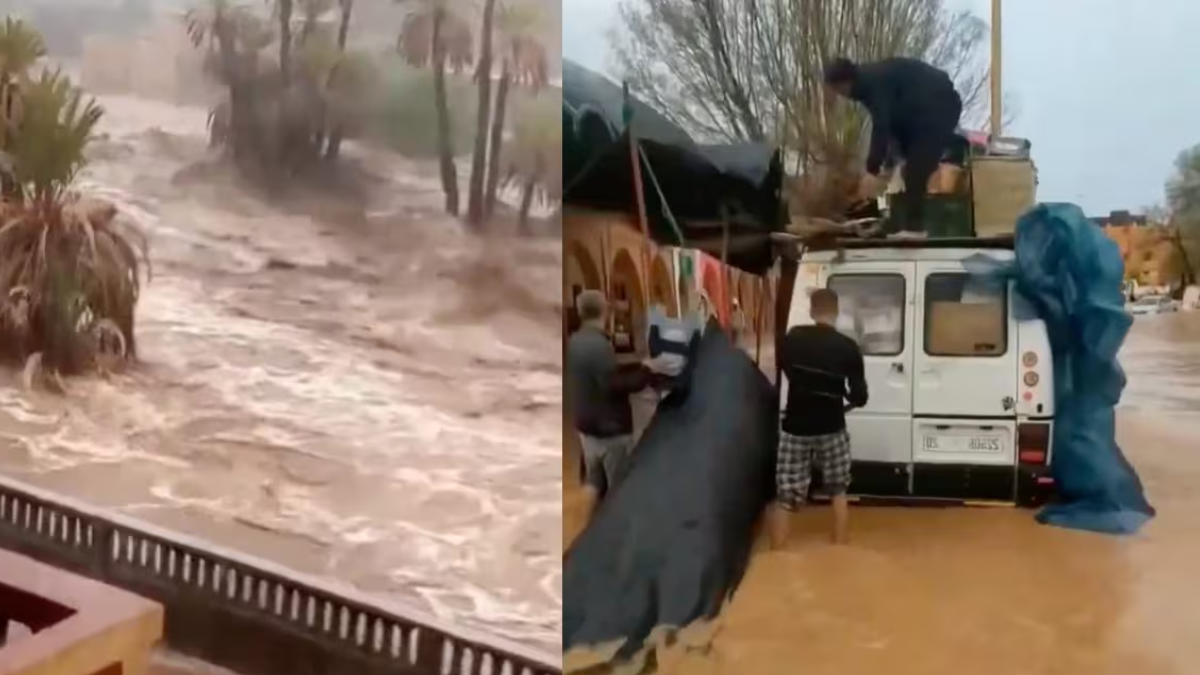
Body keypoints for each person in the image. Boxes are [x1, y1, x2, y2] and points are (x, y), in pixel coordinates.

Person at [768, 288, 868, 547]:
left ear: (812, 311)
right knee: (838, 490)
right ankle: (840, 546)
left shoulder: (792, 339)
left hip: (795, 427)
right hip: (832, 426)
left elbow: (786, 371)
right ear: (836, 313)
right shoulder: (848, 348)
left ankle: (777, 556)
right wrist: (841, 397)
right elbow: (860, 397)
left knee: (786, 496)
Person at [823, 56, 963, 239]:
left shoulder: (873, 82)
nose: (840, 95)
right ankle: (894, 223)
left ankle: (915, 228)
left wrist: (871, 169)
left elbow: (881, 125)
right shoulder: (868, 83)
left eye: (838, 90)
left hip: (941, 106)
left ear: (845, 82)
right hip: (916, 112)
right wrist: (889, 163)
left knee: (914, 170)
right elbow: (892, 126)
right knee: (901, 168)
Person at [565, 290, 650, 525]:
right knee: (617, 490)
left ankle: (586, 525)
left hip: (586, 426)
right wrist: (645, 374)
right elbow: (612, 384)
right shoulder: (599, 345)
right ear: (605, 311)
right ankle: (613, 535)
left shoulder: (575, 340)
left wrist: (635, 364)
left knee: (594, 479)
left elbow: (597, 374)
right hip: (609, 429)